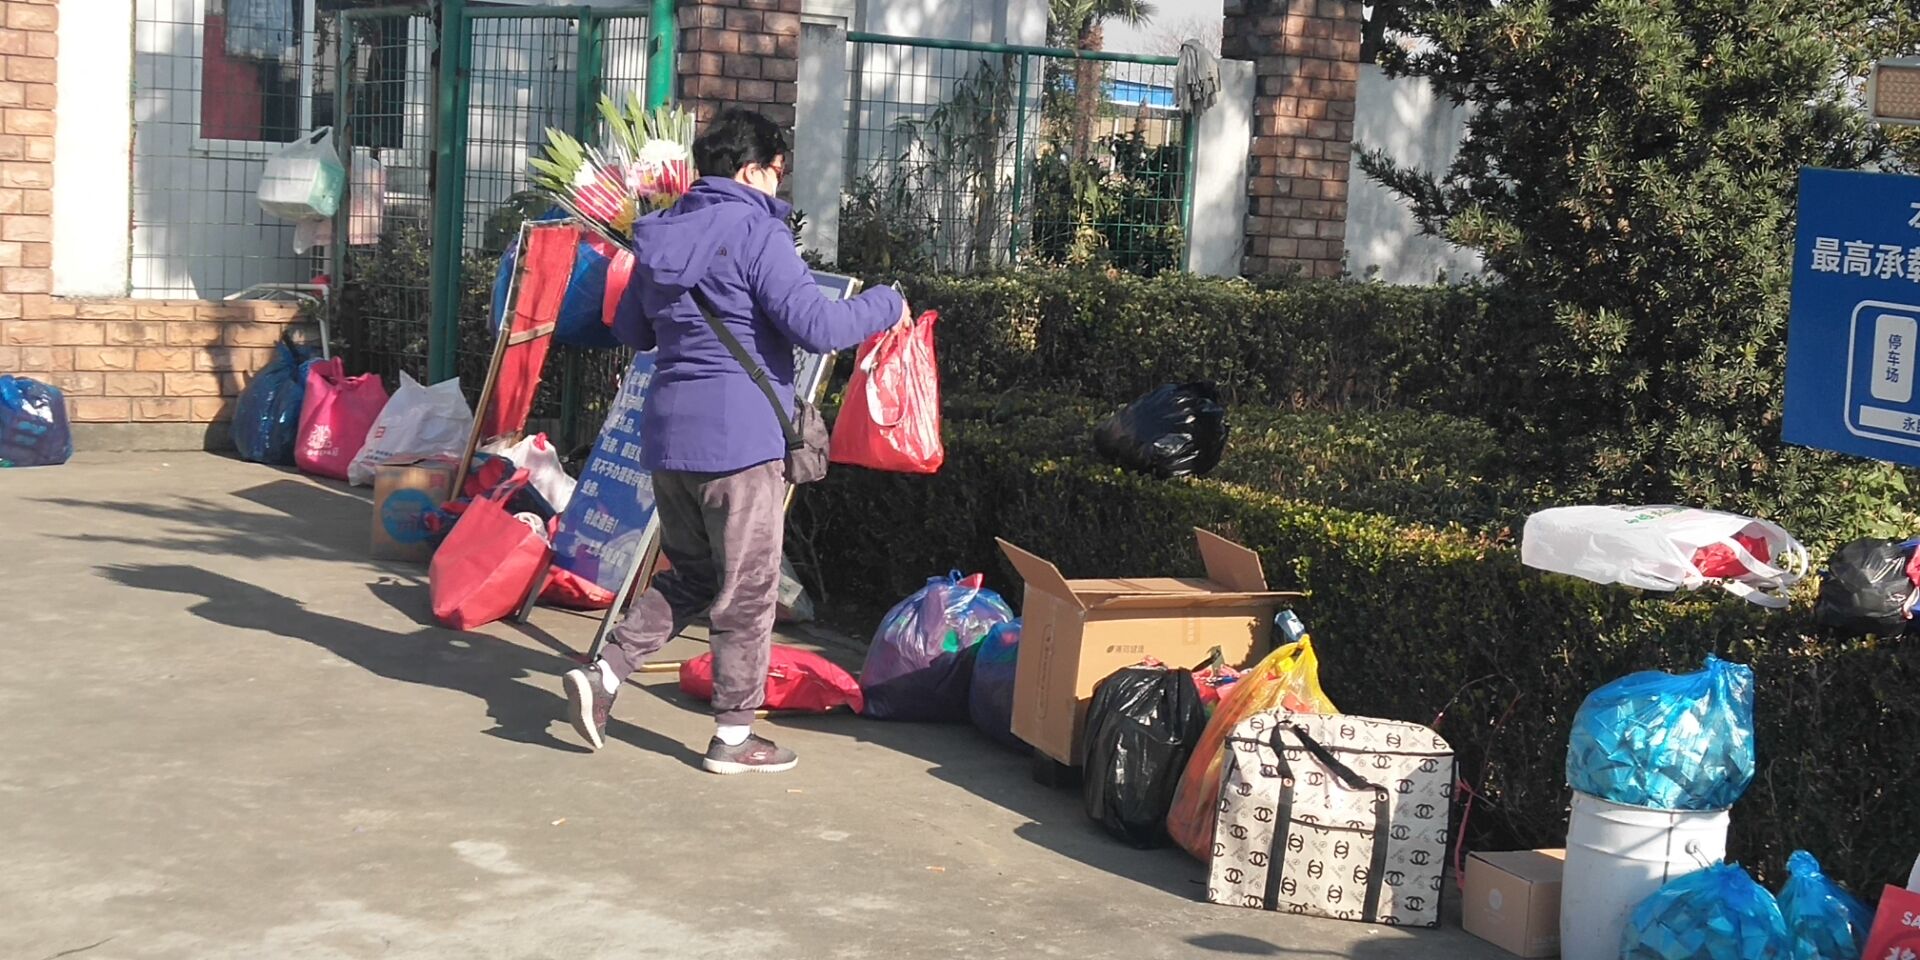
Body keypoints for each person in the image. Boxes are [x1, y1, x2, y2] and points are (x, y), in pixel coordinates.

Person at [562, 108, 909, 774]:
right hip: (741, 444)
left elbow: (634, 330)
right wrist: (885, 304)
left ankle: (604, 674)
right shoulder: (757, 231)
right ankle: (733, 737)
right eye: (777, 172)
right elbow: (817, 327)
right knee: (748, 591)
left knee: (694, 576)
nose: (780, 185)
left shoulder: (658, 233)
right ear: (751, 171)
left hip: (670, 441)